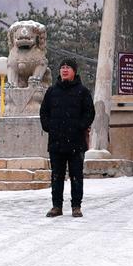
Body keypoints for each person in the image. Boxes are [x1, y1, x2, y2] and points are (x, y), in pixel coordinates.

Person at [39, 58, 94, 218]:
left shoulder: (82, 91)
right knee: (57, 175)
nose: (64, 70)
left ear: (74, 71)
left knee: (76, 175)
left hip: (76, 141)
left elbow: (90, 112)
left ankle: (76, 206)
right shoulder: (51, 91)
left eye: (68, 67)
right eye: (62, 67)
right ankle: (57, 206)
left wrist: (80, 126)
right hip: (56, 142)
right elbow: (44, 112)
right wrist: (48, 126)